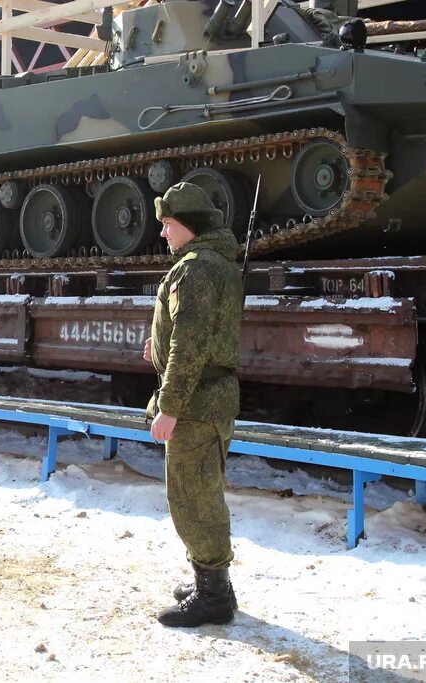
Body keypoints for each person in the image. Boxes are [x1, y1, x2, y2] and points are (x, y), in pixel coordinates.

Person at [142, 181, 243, 628]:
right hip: (208, 398)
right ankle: (212, 581)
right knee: (201, 492)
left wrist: (169, 407)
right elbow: (192, 334)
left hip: (197, 403)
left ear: (188, 226)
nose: (162, 233)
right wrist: (158, 346)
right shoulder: (209, 263)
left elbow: (190, 343)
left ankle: (213, 597)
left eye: (167, 225)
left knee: (192, 498)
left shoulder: (197, 269)